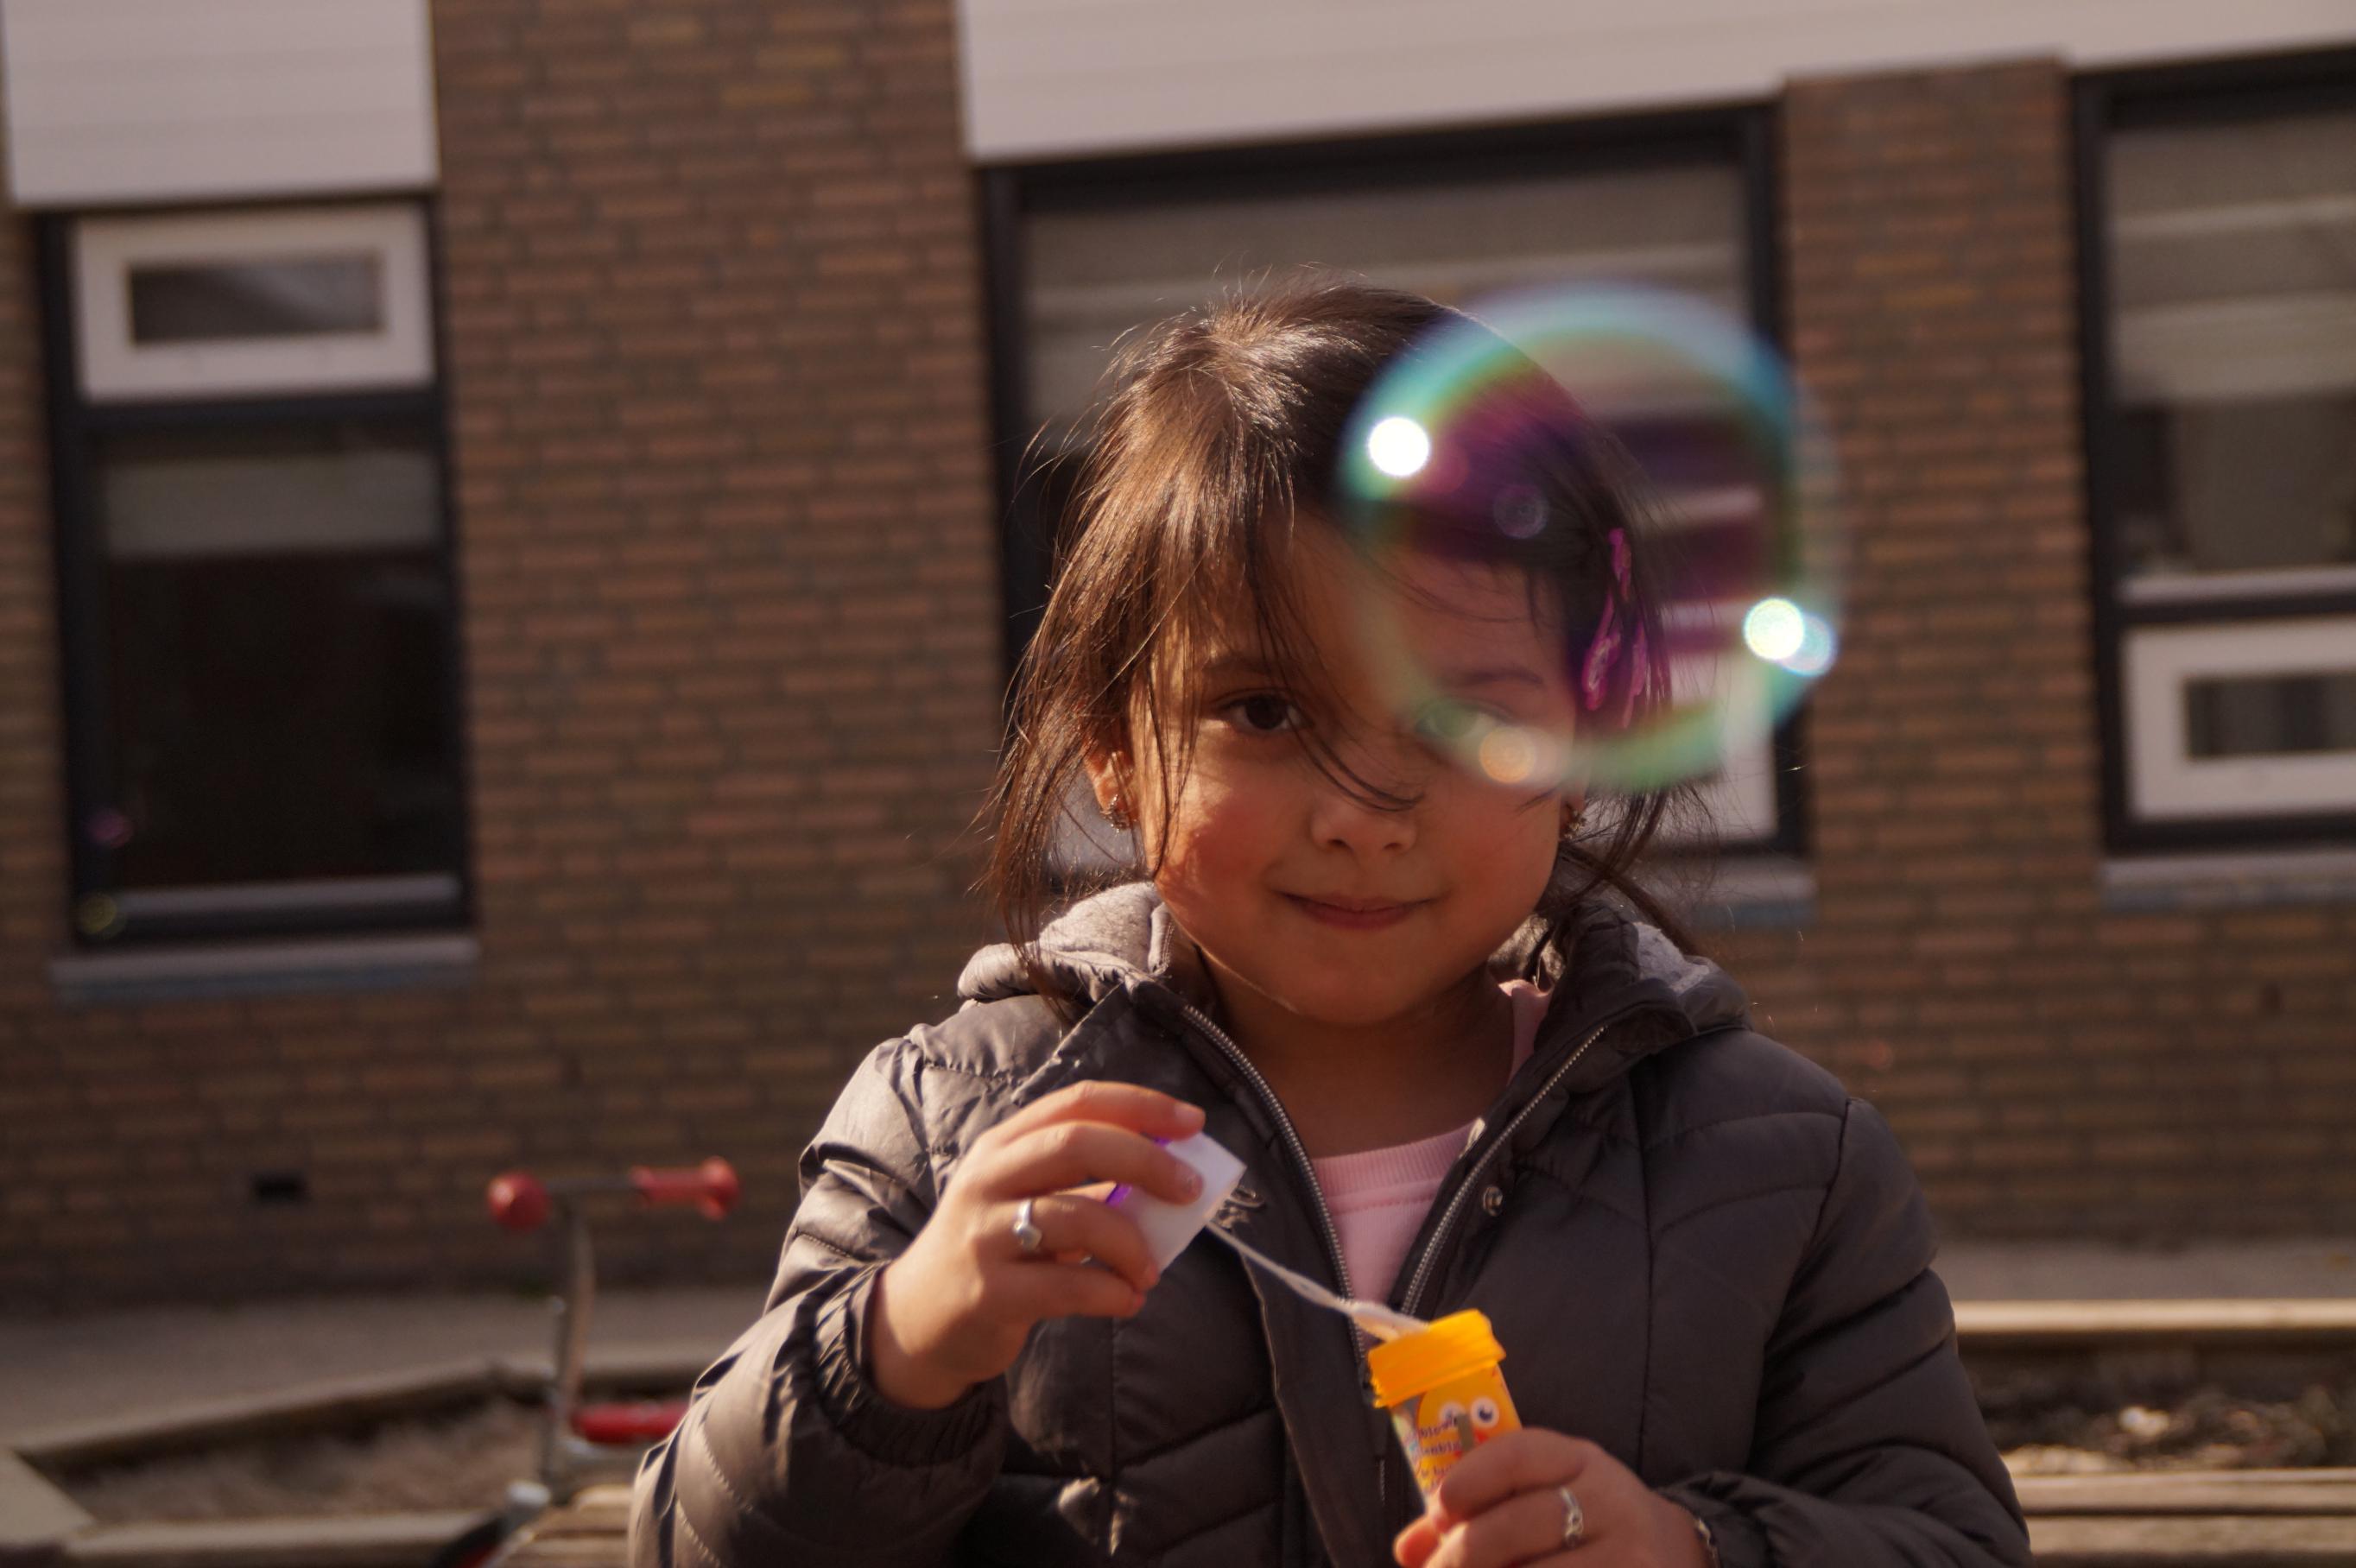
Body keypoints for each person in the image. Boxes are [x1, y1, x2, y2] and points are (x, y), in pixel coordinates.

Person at [627, 279, 2030, 1568]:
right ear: (1114, 744)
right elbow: (689, 1546)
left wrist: (1685, 1550)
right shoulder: (956, 1126)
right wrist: (902, 1343)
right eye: (1267, 710)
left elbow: (1950, 1540)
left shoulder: (1775, 1162)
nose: (1365, 811)